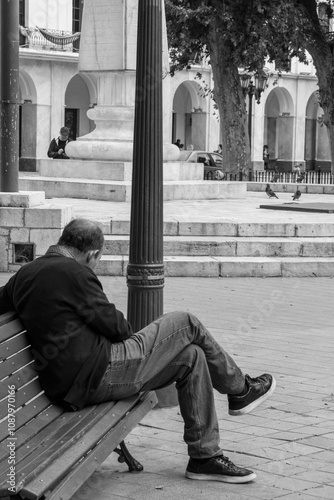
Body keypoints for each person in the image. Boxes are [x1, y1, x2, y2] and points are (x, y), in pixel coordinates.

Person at [0, 219, 276, 485]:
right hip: (96, 374)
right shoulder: (75, 273)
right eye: (97, 260)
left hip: (73, 382)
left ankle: (205, 457)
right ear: (92, 254)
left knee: (192, 356)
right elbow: (119, 328)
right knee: (186, 322)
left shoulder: (24, 275)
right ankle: (240, 390)